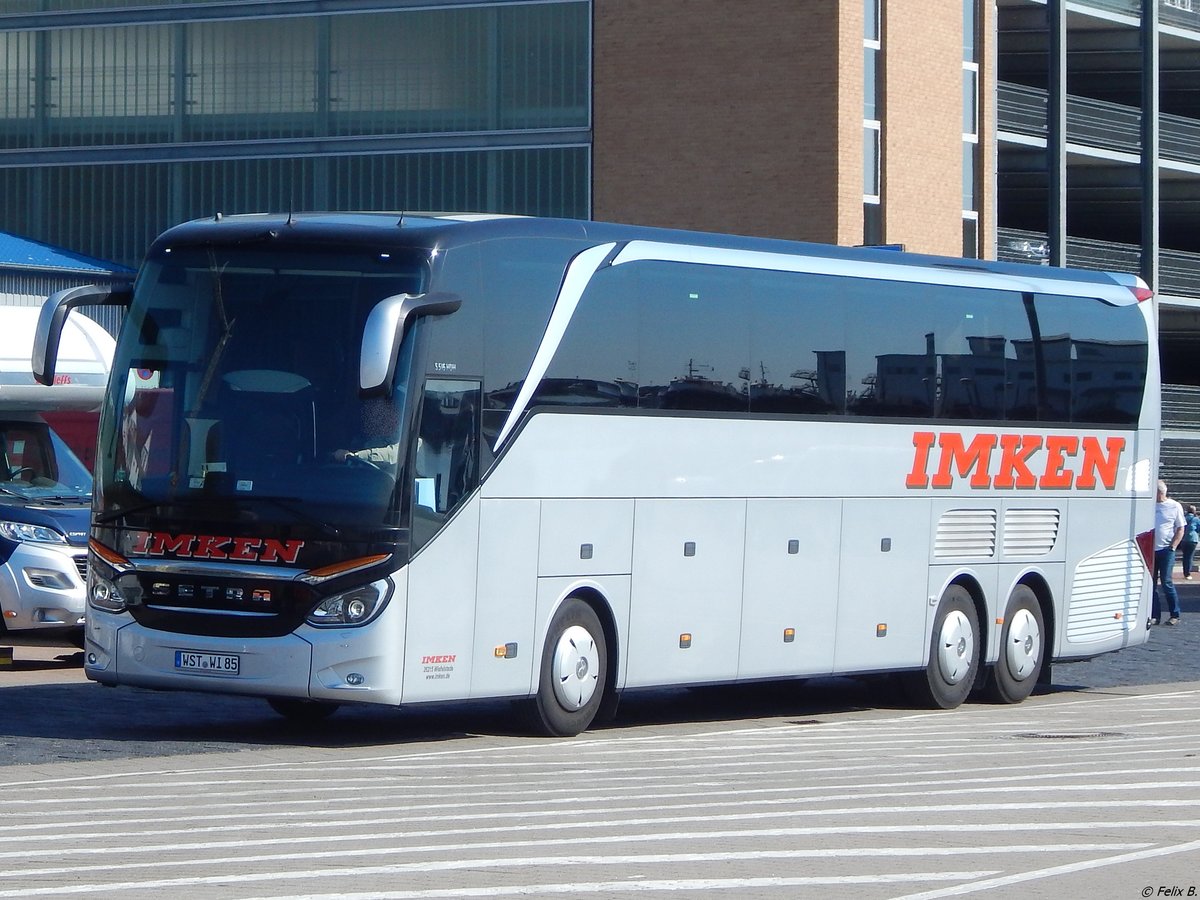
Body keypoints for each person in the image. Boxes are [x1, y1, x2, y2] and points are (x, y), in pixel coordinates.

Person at [1153, 480, 1185, 626]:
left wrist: (1173, 546)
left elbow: (1180, 528)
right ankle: (1155, 615)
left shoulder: (1174, 506)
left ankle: (1175, 614)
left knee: (1166, 582)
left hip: (1166, 550)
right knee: (1151, 585)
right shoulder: (1149, 505)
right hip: (1150, 550)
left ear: (1160, 492)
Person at [1183, 505, 1200, 581]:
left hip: (1183, 539)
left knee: (1185, 556)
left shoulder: (1184, 518)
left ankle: (1185, 571)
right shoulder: (1196, 519)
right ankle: (1187, 573)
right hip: (1192, 539)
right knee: (1190, 556)